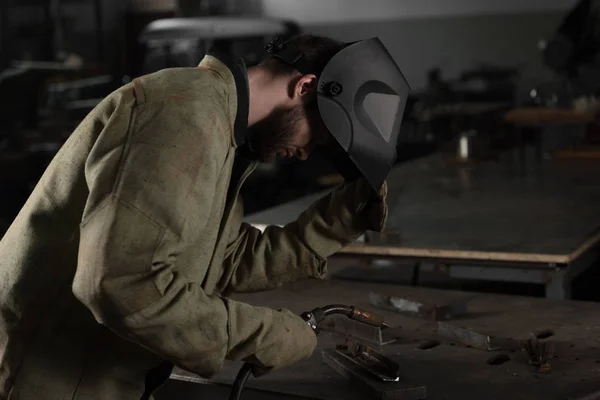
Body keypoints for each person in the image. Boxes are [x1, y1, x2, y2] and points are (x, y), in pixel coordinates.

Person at [0, 34, 409, 399]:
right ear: (305, 87)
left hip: (86, 375)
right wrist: (264, 335)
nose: (305, 153)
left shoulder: (220, 130)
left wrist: (334, 224)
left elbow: (221, 258)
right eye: (316, 137)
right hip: (38, 378)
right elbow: (122, 284)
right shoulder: (183, 113)